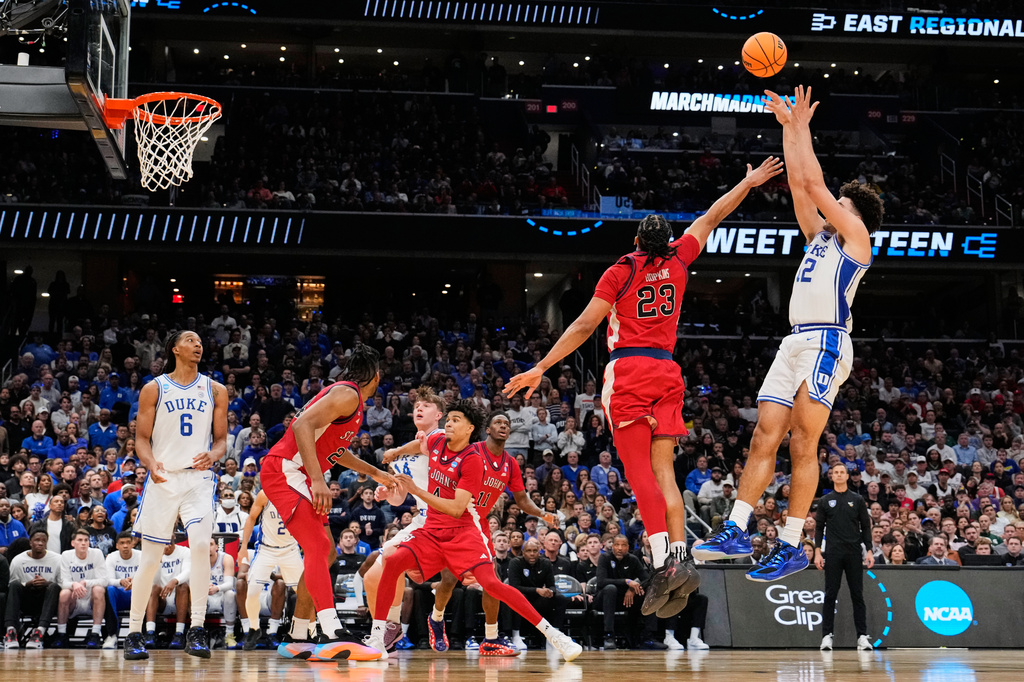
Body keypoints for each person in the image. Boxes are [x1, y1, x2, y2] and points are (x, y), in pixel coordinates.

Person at [504, 156, 783, 616]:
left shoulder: (620, 271)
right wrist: (748, 182)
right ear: (667, 241)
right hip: (668, 373)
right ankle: (678, 556)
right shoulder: (681, 257)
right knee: (665, 476)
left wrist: (542, 367)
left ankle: (661, 566)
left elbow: (582, 326)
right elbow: (713, 214)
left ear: (635, 241)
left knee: (639, 477)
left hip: (630, 373)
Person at [695, 86, 885, 582]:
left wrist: (800, 127)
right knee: (764, 435)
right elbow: (802, 188)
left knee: (803, 443)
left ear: (854, 215)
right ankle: (736, 528)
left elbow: (813, 182)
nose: (829, 211)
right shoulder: (820, 240)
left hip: (826, 341)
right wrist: (786, 126)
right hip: (794, 341)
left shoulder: (859, 240)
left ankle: (792, 542)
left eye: (839, 206)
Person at [364, 400, 581, 662]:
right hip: (432, 528)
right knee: (394, 561)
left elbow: (457, 509)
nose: (449, 424)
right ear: (486, 430)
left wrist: (416, 490)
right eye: (449, 419)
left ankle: (555, 636)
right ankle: (380, 636)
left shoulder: (473, 460)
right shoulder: (438, 442)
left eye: (456, 420)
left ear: (469, 429)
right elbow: (420, 445)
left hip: (465, 529)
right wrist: (396, 451)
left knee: (492, 584)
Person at [260, 346, 392, 661]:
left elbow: (333, 448)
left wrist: (375, 473)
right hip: (286, 470)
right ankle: (332, 631)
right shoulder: (349, 395)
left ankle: (297, 635)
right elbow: (300, 426)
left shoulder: (344, 398)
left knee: (327, 552)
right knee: (319, 548)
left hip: (301, 473)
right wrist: (319, 480)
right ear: (376, 377)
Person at [124, 330, 229, 660]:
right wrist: (150, 462)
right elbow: (141, 438)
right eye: (190, 340)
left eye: (200, 341)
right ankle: (134, 633)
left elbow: (222, 441)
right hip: (163, 478)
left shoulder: (216, 389)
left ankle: (196, 629)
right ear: (175, 349)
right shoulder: (154, 388)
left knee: (199, 545)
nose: (198, 344)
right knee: (150, 558)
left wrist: (213, 455)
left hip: (198, 478)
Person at [428, 411, 557, 655]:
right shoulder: (471, 450)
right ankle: (436, 618)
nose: (503, 426)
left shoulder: (510, 463)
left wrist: (543, 514)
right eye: (498, 422)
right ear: (487, 429)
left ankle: (491, 638)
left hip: (478, 525)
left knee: (493, 581)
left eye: (507, 424)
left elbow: (522, 500)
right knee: (449, 578)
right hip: (452, 520)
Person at [363, 386, 445, 653]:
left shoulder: (443, 438)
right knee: (371, 576)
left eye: (427, 405)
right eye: (416, 406)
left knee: (389, 554)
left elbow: (425, 446)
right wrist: (387, 492)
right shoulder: (404, 456)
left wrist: (396, 450)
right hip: (423, 516)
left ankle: (388, 628)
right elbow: (399, 499)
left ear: (440, 414)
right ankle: (392, 628)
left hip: (447, 515)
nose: (419, 408)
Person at [813, 463, 874, 651]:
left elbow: (865, 526)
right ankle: (826, 636)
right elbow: (819, 528)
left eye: (842, 472)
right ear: (832, 476)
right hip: (832, 553)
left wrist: (869, 550)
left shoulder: (857, 500)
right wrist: (817, 551)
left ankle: (862, 637)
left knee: (857, 595)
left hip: (854, 553)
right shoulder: (825, 500)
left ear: (847, 476)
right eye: (836, 473)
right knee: (830, 594)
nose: (839, 475)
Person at [237, 490, 303, 652]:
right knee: (252, 591)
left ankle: (307, 631)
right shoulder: (265, 494)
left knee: (303, 593)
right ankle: (253, 628)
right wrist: (244, 547)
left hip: (291, 549)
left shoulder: (299, 492)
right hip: (266, 549)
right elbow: (252, 518)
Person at [596, 535, 664, 650]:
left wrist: (632, 589)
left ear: (628, 547)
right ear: (612, 546)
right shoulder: (605, 558)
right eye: (617, 545)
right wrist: (626, 582)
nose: (620, 548)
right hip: (605, 600)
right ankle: (609, 636)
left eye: (623, 545)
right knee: (610, 588)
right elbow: (601, 582)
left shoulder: (632, 559)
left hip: (626, 600)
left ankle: (648, 638)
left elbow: (647, 580)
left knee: (650, 591)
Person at [507, 538, 569, 649]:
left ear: (539, 552)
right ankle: (516, 636)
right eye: (528, 551)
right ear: (523, 552)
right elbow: (514, 587)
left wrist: (551, 592)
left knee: (561, 598)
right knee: (517, 597)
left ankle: (554, 635)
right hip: (523, 597)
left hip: (539, 599)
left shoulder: (545, 563)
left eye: (535, 551)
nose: (532, 554)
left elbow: (552, 585)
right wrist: (537, 590)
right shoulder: (515, 563)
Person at [4, 529, 60, 649]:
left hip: (47, 601)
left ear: (47, 543)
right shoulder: (18, 560)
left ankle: (39, 632)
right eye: (37, 540)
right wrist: (27, 584)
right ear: (30, 543)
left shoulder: (57, 559)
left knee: (54, 586)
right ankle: (11, 631)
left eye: (43, 541)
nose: (40, 543)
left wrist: (46, 583)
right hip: (26, 601)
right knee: (15, 585)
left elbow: (62, 584)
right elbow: (10, 586)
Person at [55, 528, 108, 648]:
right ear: (73, 543)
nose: (83, 543)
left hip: (91, 600)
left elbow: (104, 581)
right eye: (80, 540)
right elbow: (64, 582)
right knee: (64, 593)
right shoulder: (66, 555)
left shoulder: (97, 553)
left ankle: (95, 634)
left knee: (99, 589)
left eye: (86, 540)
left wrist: (85, 583)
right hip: (74, 600)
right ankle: (62, 634)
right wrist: (74, 584)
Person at [105, 531, 140, 649]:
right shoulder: (111, 557)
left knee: (146, 590)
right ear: (117, 546)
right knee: (109, 589)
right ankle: (112, 635)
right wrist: (120, 581)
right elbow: (108, 580)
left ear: (133, 544)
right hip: (120, 594)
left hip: (136, 593)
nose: (125, 546)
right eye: (122, 543)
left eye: (128, 542)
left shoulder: (141, 556)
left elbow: (148, 577)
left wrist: (134, 583)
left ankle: (141, 635)